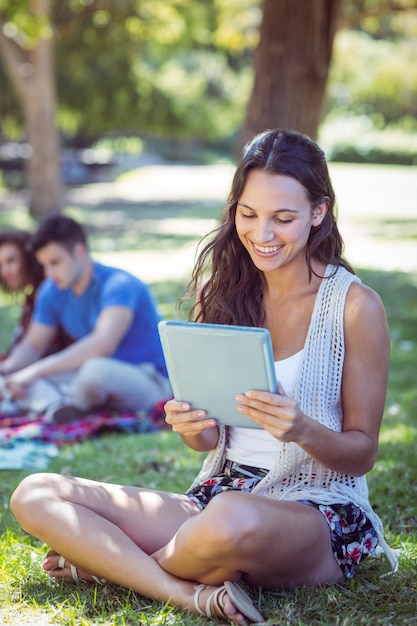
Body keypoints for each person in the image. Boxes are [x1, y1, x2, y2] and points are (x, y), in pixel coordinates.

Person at [10, 130, 398, 624]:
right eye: (248, 214)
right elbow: (211, 440)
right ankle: (191, 595)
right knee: (37, 494)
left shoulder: (355, 307)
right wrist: (196, 428)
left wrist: (301, 429)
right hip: (216, 499)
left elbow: (362, 453)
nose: (262, 234)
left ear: (318, 212)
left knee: (233, 518)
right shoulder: (221, 292)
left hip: (315, 509)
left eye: (283, 218)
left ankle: (107, 566)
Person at [2, 214, 171, 422]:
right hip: (86, 377)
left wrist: (34, 372)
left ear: (80, 251)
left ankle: (56, 404)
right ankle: (58, 406)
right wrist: (6, 370)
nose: (49, 273)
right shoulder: (51, 289)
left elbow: (102, 345)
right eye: (44, 265)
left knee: (94, 371)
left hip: (148, 378)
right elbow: (33, 346)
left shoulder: (119, 284)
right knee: (14, 381)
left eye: (55, 262)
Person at [0, 228, 73, 413]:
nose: (5, 270)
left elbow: (39, 349)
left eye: (11, 260)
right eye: (0, 265)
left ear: (28, 258)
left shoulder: (51, 290)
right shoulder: (32, 299)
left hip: (61, 371)